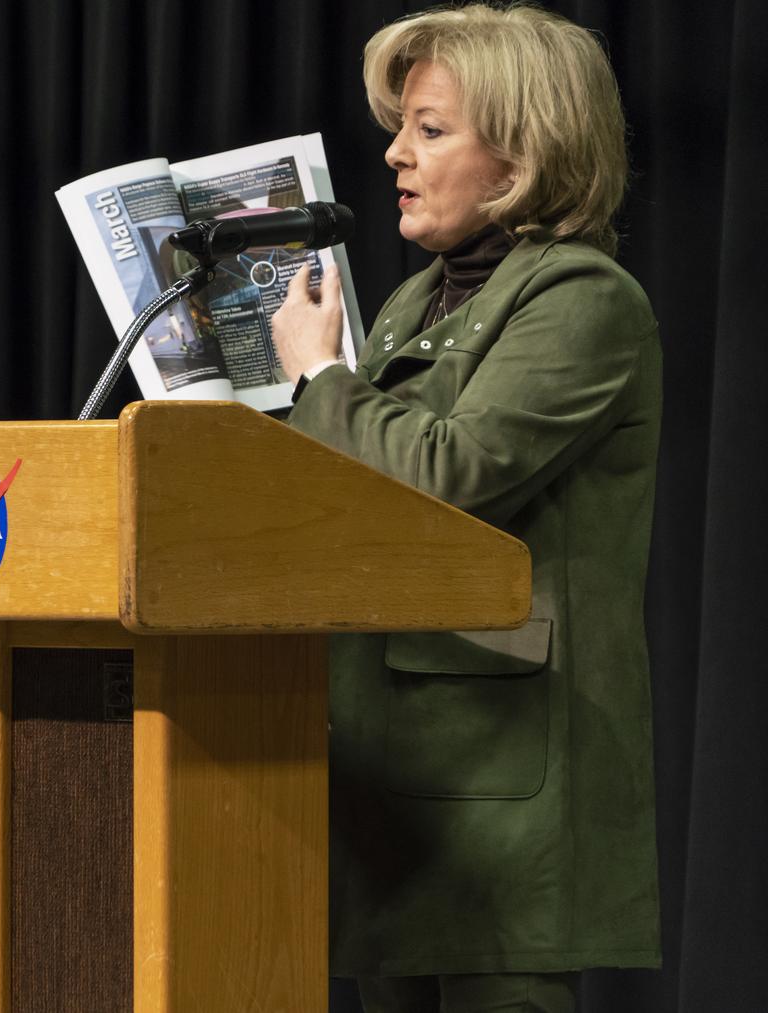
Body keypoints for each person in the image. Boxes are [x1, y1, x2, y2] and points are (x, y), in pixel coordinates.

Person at [270, 5, 662, 1012]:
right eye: (400, 128)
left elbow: (448, 476)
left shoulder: (582, 298)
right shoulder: (411, 302)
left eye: (430, 128)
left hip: (500, 783)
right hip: (387, 772)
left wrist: (319, 378)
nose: (395, 152)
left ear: (523, 152)